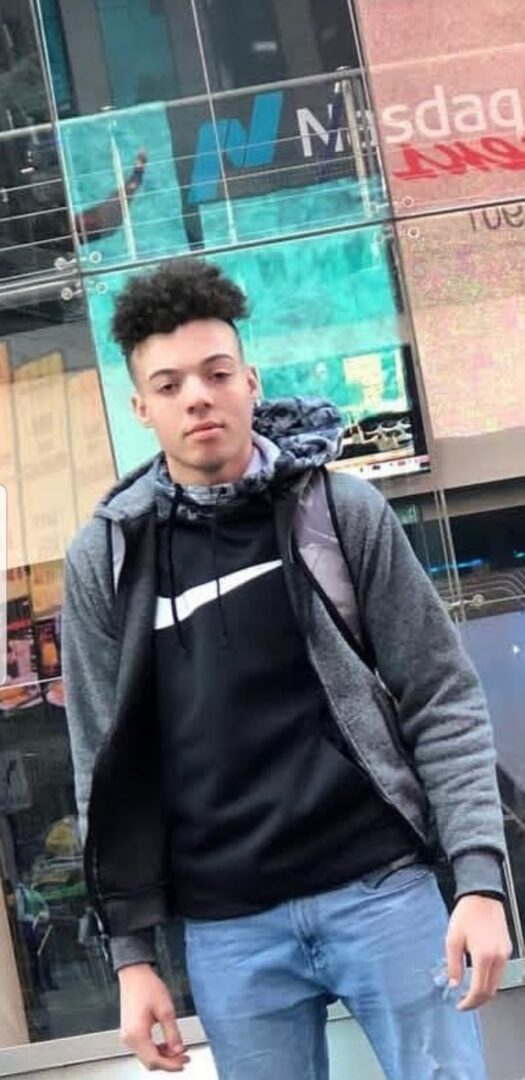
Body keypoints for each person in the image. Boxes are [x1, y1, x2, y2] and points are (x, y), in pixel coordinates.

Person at [62, 258, 511, 1080]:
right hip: (230, 926)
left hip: (382, 891)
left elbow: (439, 693)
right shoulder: (109, 558)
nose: (196, 395)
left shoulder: (336, 511)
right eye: (168, 385)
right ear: (141, 408)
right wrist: (132, 956)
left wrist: (477, 880)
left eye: (215, 372)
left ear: (249, 381)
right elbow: (102, 761)